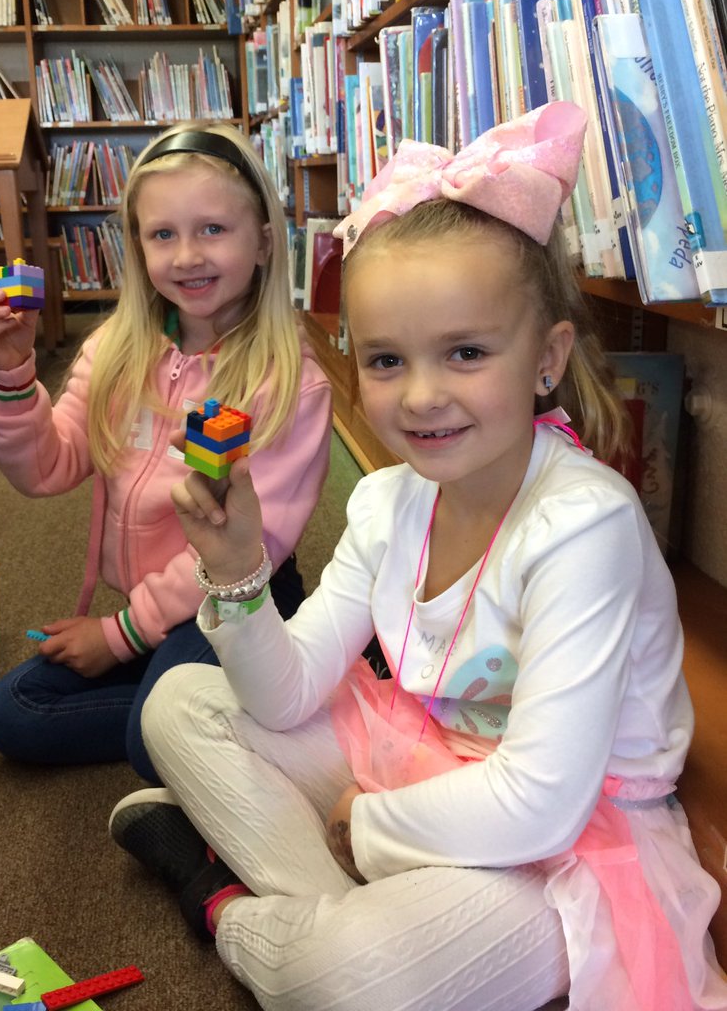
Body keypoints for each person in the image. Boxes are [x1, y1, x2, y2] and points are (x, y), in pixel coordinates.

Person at [108, 103, 727, 1011]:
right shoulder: (388, 501)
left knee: (344, 976)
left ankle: (232, 908)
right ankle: (345, 926)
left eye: (467, 352)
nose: (423, 396)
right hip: (428, 762)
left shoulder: (584, 524)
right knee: (178, 701)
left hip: (567, 846)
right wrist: (239, 574)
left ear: (547, 357)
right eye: (389, 360)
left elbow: (541, 804)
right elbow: (281, 693)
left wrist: (369, 828)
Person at [0, 122, 332, 780]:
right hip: (150, 606)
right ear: (137, 248)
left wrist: (118, 637)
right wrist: (12, 375)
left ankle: (230, 706)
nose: (187, 255)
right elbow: (47, 467)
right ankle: (221, 714)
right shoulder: (115, 350)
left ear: (265, 243)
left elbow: (246, 542)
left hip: (240, 593)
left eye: (213, 229)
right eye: (163, 234)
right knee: (12, 711)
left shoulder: (288, 381)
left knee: (149, 741)